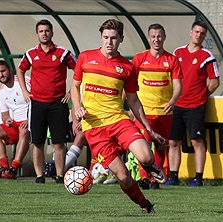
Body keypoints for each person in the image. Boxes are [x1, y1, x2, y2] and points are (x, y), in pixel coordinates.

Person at [71, 19, 167, 214]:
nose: (109, 42)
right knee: (123, 176)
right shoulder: (85, 58)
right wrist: (77, 107)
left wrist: (149, 130)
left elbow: (133, 101)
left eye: (114, 38)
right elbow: (74, 86)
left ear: (121, 39)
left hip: (118, 120)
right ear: (101, 37)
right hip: (94, 128)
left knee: (146, 156)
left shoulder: (127, 67)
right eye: (105, 37)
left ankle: (148, 167)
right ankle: (145, 205)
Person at [16, 19, 76, 184]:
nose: (44, 34)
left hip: (58, 103)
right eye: (41, 31)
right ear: (37, 34)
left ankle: (59, 176)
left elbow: (79, 70)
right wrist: (25, 92)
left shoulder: (63, 52)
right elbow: (20, 70)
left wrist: (71, 92)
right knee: (37, 142)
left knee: (59, 142)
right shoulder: (30, 54)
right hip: (37, 104)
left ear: (52, 33)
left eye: (47, 31)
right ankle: (39, 176)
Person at [166, 20, 220, 187]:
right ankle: (173, 176)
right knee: (174, 141)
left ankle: (198, 177)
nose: (198, 35)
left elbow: (214, 82)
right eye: (196, 32)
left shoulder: (207, 56)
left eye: (202, 33)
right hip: (177, 105)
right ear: (191, 32)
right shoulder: (178, 52)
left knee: (197, 141)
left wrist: (201, 95)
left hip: (195, 106)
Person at [131, 23, 182, 190]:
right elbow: (129, 84)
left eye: (159, 36)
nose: (156, 39)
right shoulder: (139, 59)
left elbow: (178, 85)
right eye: (153, 36)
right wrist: (128, 107)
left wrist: (173, 100)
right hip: (143, 112)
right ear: (148, 38)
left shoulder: (172, 60)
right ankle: (144, 178)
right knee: (143, 144)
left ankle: (155, 179)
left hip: (164, 112)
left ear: (164, 37)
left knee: (160, 145)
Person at [0, 60, 30, 179]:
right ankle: (4, 167)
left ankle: (14, 167)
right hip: (15, 123)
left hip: (31, 121)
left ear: (10, 70)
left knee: (24, 130)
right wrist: (6, 120)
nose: (1, 75)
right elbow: (4, 114)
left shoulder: (23, 82)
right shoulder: (1, 92)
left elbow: (37, 101)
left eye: (3, 71)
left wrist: (29, 119)